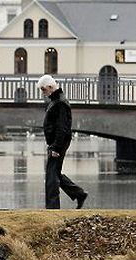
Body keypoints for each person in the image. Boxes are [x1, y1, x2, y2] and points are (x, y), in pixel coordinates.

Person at [37, 74, 88, 209]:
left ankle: (52, 208)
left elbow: (62, 128)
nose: (43, 93)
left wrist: (56, 148)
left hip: (58, 144)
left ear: (50, 87)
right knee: (55, 173)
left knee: (51, 176)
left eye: (43, 90)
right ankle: (79, 193)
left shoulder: (60, 103)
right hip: (56, 143)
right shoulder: (57, 100)